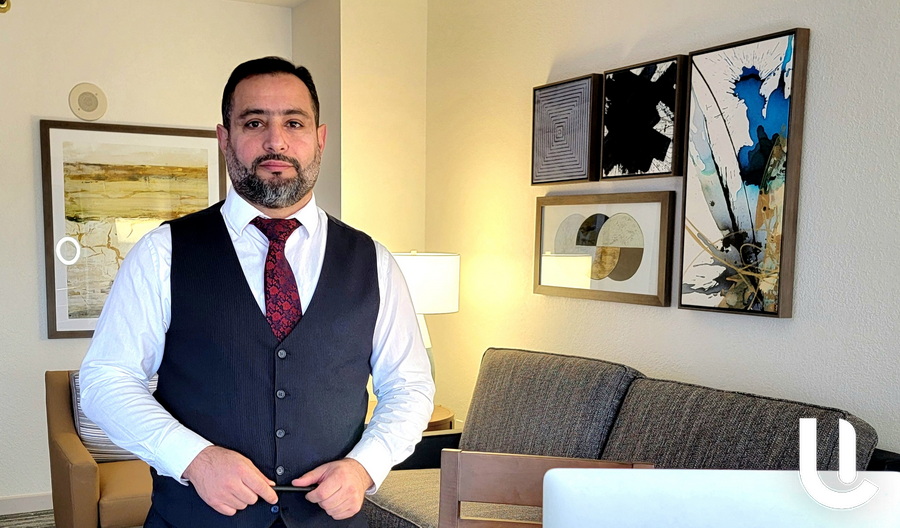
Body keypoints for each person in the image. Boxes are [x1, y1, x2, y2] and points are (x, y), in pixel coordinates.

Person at [79, 56, 435, 528]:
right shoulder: (161, 252)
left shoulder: (375, 262)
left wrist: (366, 466)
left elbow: (410, 387)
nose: (276, 141)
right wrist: (194, 458)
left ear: (320, 138)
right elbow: (107, 380)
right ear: (224, 138)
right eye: (254, 122)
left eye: (294, 122)